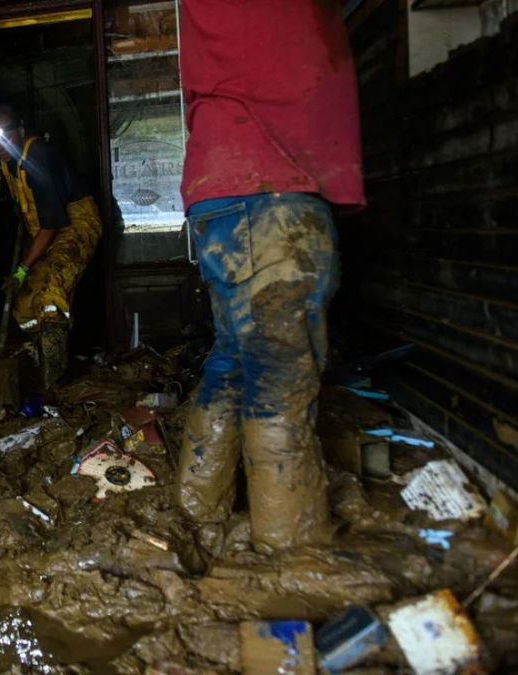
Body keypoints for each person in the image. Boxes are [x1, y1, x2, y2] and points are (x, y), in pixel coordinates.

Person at [173, 0, 366, 552]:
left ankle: (195, 510)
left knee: (236, 356)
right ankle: (291, 553)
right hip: (268, 178)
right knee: (281, 370)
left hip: (229, 180)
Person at [0, 105, 102, 390]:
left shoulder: (37, 155)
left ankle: (55, 384)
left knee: (52, 292)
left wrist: (23, 270)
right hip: (42, 232)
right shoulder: (6, 164)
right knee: (25, 302)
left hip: (74, 224)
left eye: (5, 136)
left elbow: (52, 225)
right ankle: (37, 365)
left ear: (21, 131)